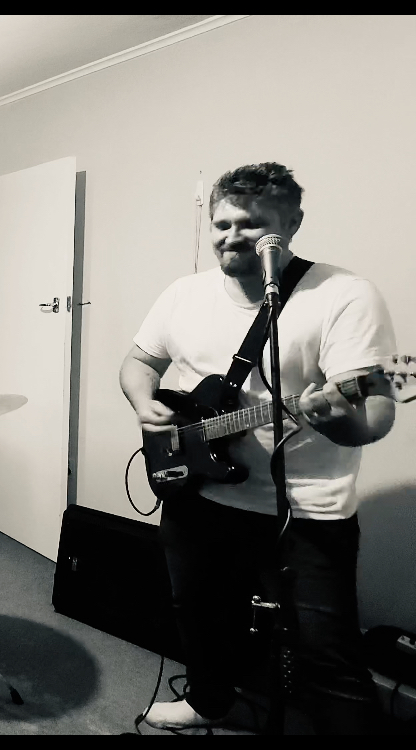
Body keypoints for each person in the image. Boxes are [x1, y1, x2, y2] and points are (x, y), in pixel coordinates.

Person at [119, 163, 396, 733]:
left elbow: (376, 413)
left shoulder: (344, 295)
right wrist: (144, 402)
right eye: (221, 224)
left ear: (292, 223)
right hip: (197, 494)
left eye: (251, 224)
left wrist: (334, 420)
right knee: (198, 617)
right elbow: (139, 362)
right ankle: (209, 702)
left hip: (306, 510)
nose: (231, 236)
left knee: (326, 651)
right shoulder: (184, 293)